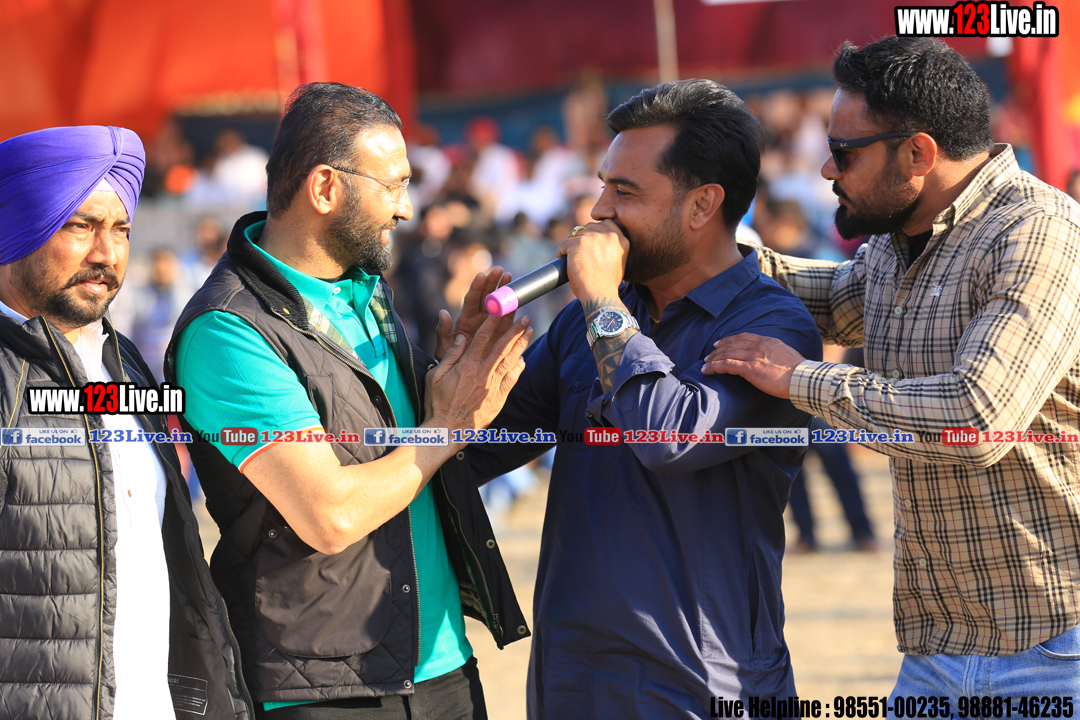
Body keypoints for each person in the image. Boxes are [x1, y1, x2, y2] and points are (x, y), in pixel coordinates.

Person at [704, 36, 1080, 699]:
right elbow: (834, 299)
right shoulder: (895, 239)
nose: (827, 169)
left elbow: (976, 419)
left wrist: (799, 379)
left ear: (918, 154)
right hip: (935, 651)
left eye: (845, 152)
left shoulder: (1041, 232)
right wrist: (697, 255)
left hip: (1055, 650)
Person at [166, 82, 533, 720]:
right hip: (324, 688)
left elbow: (401, 442)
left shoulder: (365, 287)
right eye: (393, 185)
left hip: (443, 662)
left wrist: (454, 369)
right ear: (325, 188)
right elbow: (328, 514)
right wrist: (448, 424)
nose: (406, 208)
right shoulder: (227, 331)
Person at [465, 79, 822, 716]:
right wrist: (462, 374)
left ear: (703, 204)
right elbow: (477, 452)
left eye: (624, 192)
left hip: (705, 686)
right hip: (571, 683)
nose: (598, 210)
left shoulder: (773, 325)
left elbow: (671, 438)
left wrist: (603, 303)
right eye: (603, 184)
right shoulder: (582, 322)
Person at [0, 126, 251, 719]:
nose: (107, 254)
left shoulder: (125, 364)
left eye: (122, 229)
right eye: (80, 226)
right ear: (15, 229)